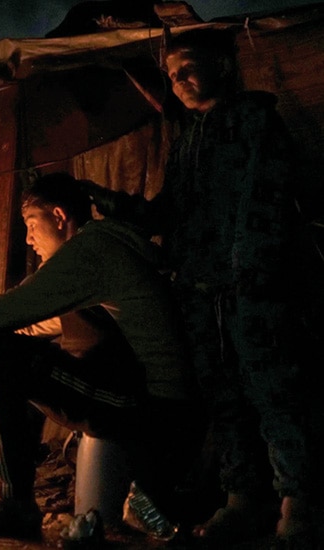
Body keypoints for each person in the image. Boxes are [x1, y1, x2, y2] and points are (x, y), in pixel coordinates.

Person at [88, 28, 314, 545]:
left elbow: (267, 200)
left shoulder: (255, 121)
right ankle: (244, 500)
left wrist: (249, 271)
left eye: (187, 67)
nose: (179, 81)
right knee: (224, 398)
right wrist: (119, 206)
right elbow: (171, 210)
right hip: (198, 291)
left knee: (273, 394)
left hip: (251, 290)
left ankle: (299, 508)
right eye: (171, 75)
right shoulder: (188, 136)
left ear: (221, 66)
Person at [0, 173, 198, 540]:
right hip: (146, 405)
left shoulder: (91, 252)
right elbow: (30, 323)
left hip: (152, 413)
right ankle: (15, 492)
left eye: (31, 224)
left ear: (57, 216)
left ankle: (15, 504)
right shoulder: (98, 257)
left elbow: (14, 306)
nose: (28, 238)